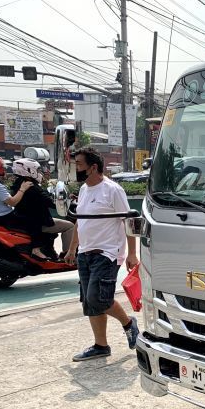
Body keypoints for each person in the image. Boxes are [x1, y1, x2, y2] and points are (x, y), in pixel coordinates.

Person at [63, 147, 139, 362]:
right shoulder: (85, 190)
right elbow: (80, 220)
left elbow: (129, 220)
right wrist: (72, 249)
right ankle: (101, 346)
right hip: (85, 253)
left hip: (107, 253)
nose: (75, 168)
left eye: (78, 164)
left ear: (93, 167)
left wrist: (132, 253)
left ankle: (128, 323)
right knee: (89, 302)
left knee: (98, 297)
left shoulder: (112, 190)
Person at [10, 158, 74, 259]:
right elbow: (49, 201)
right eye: (38, 170)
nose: (40, 172)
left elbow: (45, 196)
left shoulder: (19, 184)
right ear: (29, 170)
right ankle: (67, 256)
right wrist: (68, 203)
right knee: (70, 226)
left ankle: (49, 250)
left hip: (26, 220)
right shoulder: (31, 186)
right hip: (36, 223)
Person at [0, 155, 34, 233]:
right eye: (3, 168)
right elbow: (12, 202)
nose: (5, 171)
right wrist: (23, 188)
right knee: (35, 225)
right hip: (4, 217)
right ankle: (36, 244)